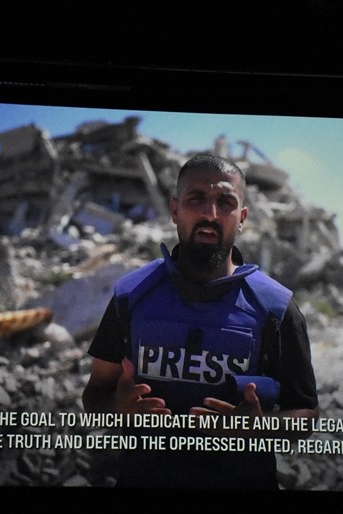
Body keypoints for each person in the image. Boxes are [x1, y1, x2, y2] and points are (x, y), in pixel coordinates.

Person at [83, 154, 318, 489]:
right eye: (197, 199)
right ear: (175, 209)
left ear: (242, 218)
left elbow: (305, 416)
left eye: (225, 202)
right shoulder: (131, 295)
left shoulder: (276, 308)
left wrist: (257, 429)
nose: (210, 214)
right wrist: (117, 407)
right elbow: (94, 394)